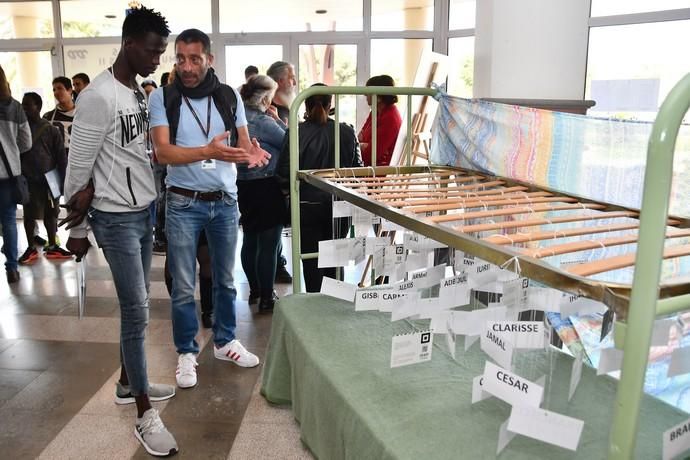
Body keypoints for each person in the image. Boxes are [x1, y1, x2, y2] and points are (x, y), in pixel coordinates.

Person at [60, 7, 178, 456]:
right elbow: (78, 164)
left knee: (139, 306)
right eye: (152, 51)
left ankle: (130, 382)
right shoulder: (98, 96)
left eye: (160, 52)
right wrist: (78, 227)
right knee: (137, 310)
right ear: (129, 44)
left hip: (142, 211)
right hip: (115, 217)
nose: (157, 59)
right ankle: (144, 413)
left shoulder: (136, 92)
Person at [149, 28, 269, 389]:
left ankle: (225, 341)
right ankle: (187, 352)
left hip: (225, 202)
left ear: (209, 60)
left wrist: (252, 154)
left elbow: (244, 143)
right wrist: (208, 152)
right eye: (180, 58)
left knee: (226, 280)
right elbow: (162, 152)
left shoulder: (228, 95)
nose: (186, 66)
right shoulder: (163, 97)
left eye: (194, 59)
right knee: (184, 284)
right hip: (183, 201)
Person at [277, 84, 362, 292]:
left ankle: (314, 306)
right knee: (335, 257)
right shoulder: (347, 132)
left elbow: (282, 173)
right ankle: (334, 303)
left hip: (306, 206)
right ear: (330, 103)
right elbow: (357, 171)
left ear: (305, 104)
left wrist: (292, 192)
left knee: (310, 260)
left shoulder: (295, 133)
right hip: (339, 206)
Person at [238, 75, 287, 312]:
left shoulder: (235, 119)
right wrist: (279, 120)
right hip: (267, 185)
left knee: (250, 239)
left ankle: (255, 290)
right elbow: (292, 143)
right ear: (266, 97)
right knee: (269, 243)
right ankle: (267, 297)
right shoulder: (264, 122)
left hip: (243, 186)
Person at [18, 92, 71, 264]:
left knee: (51, 214)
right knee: (28, 215)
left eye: (28, 105)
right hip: (28, 180)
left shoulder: (51, 130)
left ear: (38, 107)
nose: (24, 109)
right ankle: (31, 246)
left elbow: (61, 157)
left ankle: (53, 245)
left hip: (48, 180)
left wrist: (63, 181)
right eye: (23, 105)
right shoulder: (20, 129)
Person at [0, 64, 31, 284]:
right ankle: (12, 268)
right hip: (8, 174)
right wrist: (11, 152)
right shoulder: (15, 107)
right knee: (9, 221)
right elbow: (26, 142)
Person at [266, 60, 296, 284]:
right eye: (291, 77)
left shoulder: (286, 107)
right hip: (268, 179)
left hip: (280, 178)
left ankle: (278, 263)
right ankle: (274, 270)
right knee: (269, 231)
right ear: (279, 81)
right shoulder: (270, 112)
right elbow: (288, 140)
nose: (294, 82)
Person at [358, 74, 402, 167]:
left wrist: (361, 146)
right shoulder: (376, 111)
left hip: (380, 171)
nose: (365, 94)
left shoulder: (390, 118)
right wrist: (363, 145)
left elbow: (370, 155)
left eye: (368, 91)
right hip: (370, 167)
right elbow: (359, 137)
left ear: (379, 97)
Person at [43, 76, 76, 156]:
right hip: (56, 163)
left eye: (60, 88)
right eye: (54, 90)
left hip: (78, 161)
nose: (56, 92)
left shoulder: (83, 114)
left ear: (70, 90)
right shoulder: (48, 117)